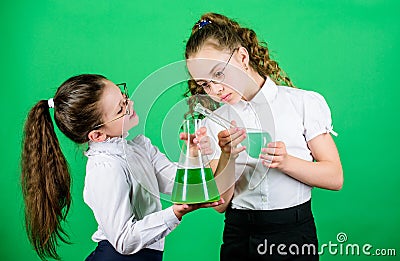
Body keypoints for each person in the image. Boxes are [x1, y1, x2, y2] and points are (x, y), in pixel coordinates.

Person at [183, 13, 344, 260]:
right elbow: (221, 205)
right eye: (205, 84)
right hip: (239, 233)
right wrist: (228, 155)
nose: (215, 90)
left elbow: (335, 177)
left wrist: (286, 161)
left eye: (219, 74)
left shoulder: (301, 103)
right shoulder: (215, 121)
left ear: (242, 57)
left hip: (293, 233)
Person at [20, 74, 223, 261]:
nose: (130, 104)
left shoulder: (139, 148)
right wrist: (175, 213)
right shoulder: (105, 168)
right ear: (97, 135)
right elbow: (124, 241)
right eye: (120, 108)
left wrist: (192, 154)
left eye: (124, 97)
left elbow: (178, 185)